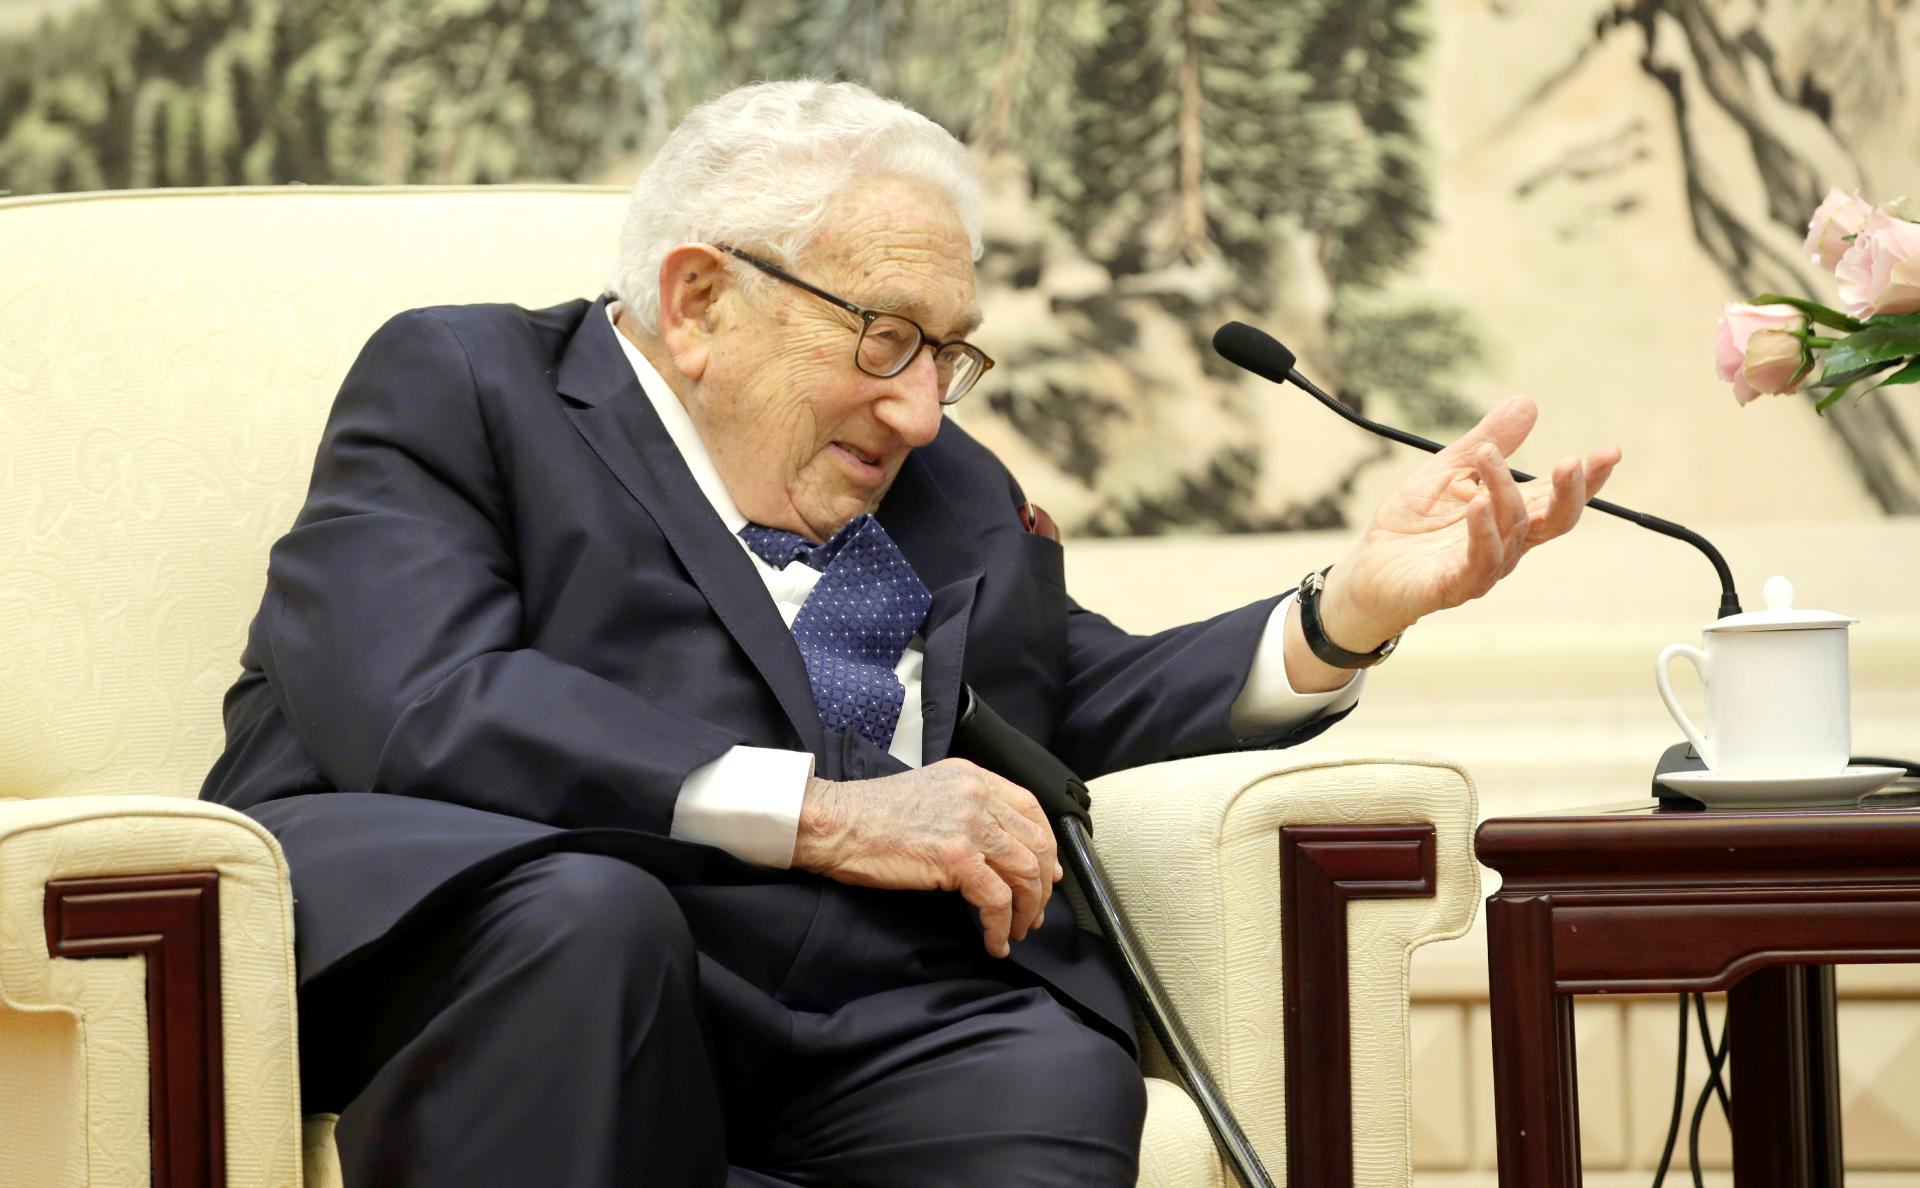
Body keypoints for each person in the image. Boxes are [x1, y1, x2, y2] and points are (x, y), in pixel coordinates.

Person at [202, 80, 1619, 1187]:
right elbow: (420, 702)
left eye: (950, 353)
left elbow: (1068, 697)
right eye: (887, 340)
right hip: (521, 939)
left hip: (864, 1002)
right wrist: (829, 816)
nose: (925, 410)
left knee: (1040, 1054)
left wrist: (1344, 614)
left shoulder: (949, 488)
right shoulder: (469, 384)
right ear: (700, 301)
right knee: (592, 923)